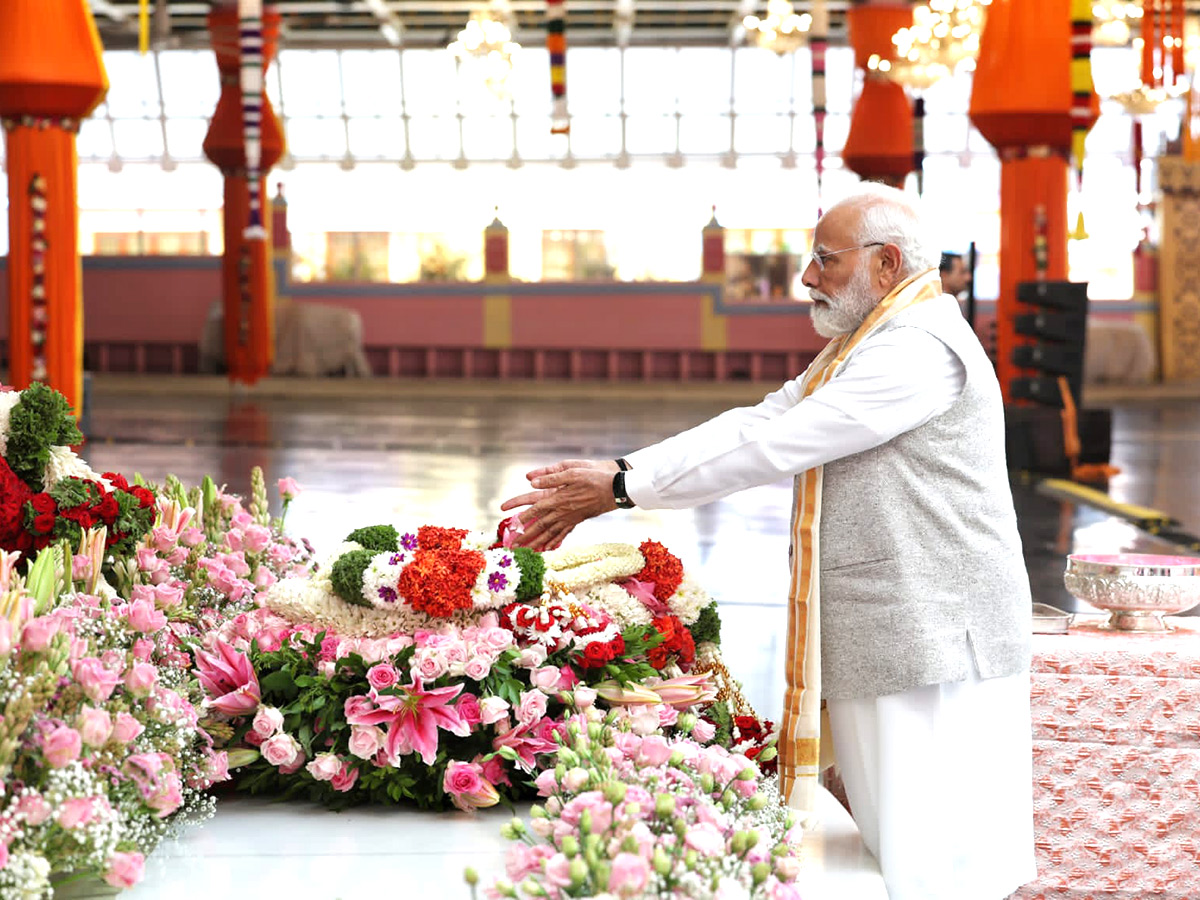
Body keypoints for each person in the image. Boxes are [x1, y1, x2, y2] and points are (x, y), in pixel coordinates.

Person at [500, 183, 1035, 900]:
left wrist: (624, 491)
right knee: (896, 846)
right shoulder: (870, 340)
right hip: (895, 627)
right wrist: (624, 472)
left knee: (936, 860)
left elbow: (780, 444)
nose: (808, 277)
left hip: (933, 639)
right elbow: (762, 420)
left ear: (886, 264)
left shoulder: (918, 349)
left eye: (825, 259)